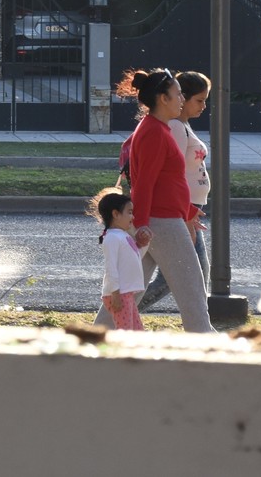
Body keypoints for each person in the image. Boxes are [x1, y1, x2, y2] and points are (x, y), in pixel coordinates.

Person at [93, 68, 215, 333]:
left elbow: (167, 184)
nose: (181, 99)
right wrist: (145, 224)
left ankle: (95, 336)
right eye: (177, 94)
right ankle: (206, 341)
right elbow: (145, 184)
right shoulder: (155, 132)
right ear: (163, 99)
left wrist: (187, 211)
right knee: (192, 289)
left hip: (160, 220)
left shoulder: (156, 128)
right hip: (162, 223)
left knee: (129, 288)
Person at [140, 71, 212, 311]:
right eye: (198, 100)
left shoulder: (181, 126)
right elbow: (171, 175)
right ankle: (124, 313)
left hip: (185, 209)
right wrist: (187, 214)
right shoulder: (174, 128)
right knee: (193, 274)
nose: (203, 106)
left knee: (150, 277)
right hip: (179, 212)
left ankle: (120, 315)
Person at [90, 188, 145, 331]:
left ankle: (133, 353)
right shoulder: (112, 238)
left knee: (136, 330)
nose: (132, 217)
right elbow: (111, 268)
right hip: (119, 294)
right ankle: (120, 353)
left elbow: (131, 257)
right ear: (115, 214)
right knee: (125, 331)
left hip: (125, 293)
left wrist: (142, 244)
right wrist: (115, 294)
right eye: (129, 212)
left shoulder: (122, 235)